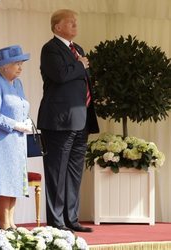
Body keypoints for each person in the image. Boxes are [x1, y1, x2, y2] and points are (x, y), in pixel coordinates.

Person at [37, 9, 99, 232]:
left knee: (74, 173)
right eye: (70, 22)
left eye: (76, 22)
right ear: (57, 27)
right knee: (56, 171)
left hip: (81, 119)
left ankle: (71, 219)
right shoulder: (50, 49)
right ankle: (56, 222)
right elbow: (61, 75)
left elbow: (83, 81)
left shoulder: (78, 49)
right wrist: (80, 64)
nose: (75, 25)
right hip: (58, 122)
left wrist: (80, 64)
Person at [0, 45, 32, 230]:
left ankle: (11, 221)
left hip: (18, 140)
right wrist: (15, 125)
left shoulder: (18, 84)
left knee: (16, 181)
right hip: (1, 141)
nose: (20, 67)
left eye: (21, 63)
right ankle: (4, 223)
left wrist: (25, 121)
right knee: (5, 180)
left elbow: (22, 106)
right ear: (4, 66)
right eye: (16, 64)